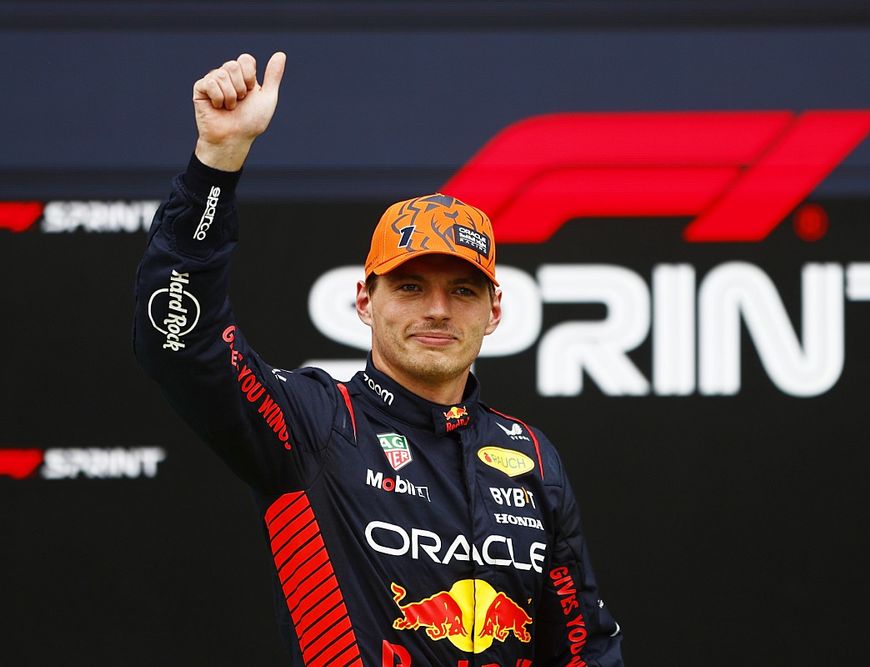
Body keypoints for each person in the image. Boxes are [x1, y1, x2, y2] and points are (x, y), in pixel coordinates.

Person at [134, 51, 624, 667]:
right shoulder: (314, 425)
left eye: (462, 290)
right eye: (411, 287)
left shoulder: (530, 457)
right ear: (365, 301)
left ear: (494, 311)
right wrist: (217, 162)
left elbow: (584, 647)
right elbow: (179, 341)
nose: (438, 310)